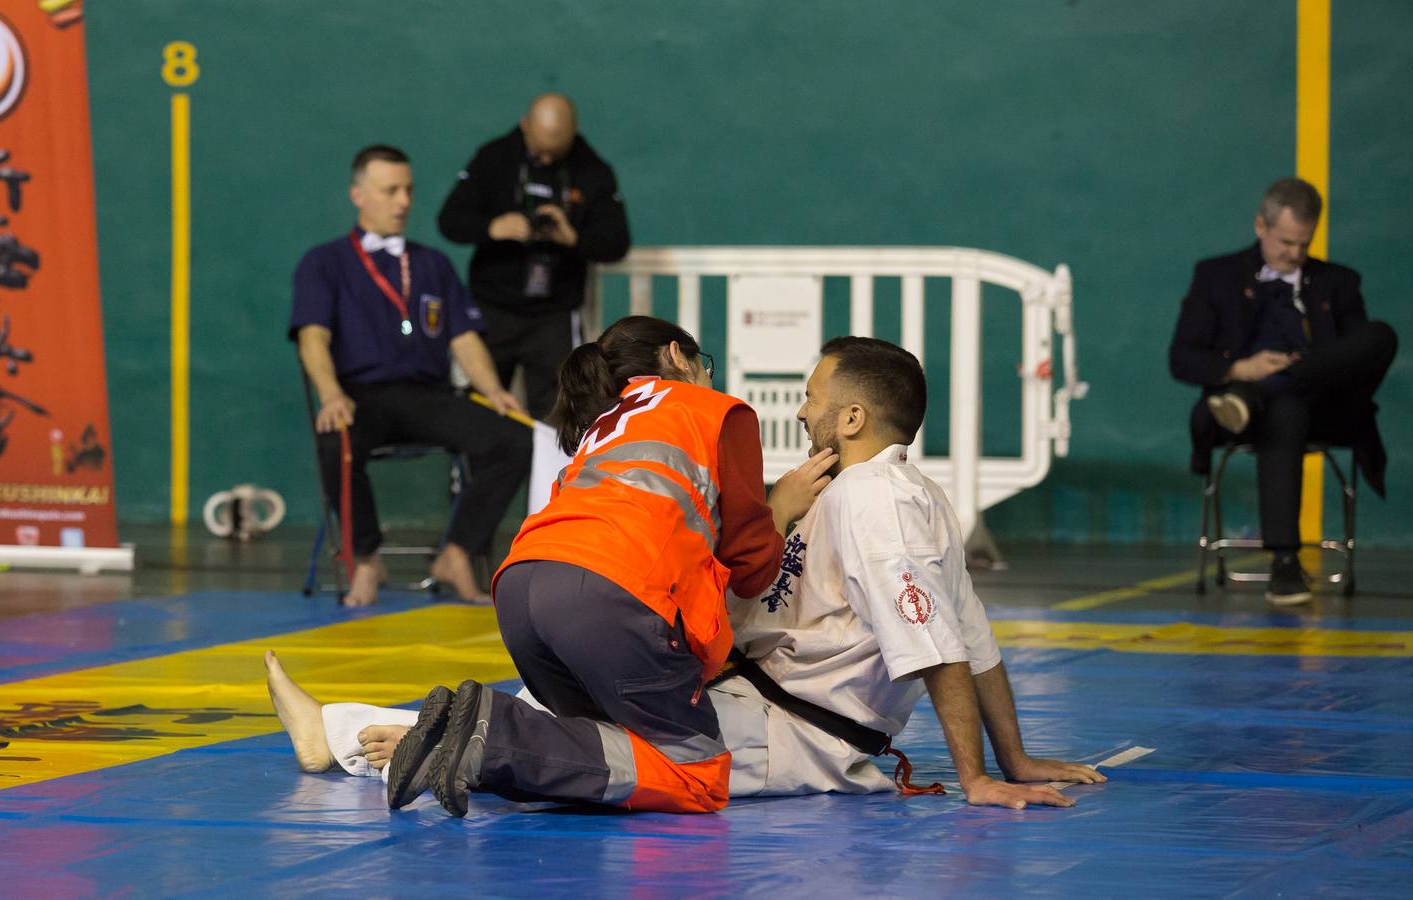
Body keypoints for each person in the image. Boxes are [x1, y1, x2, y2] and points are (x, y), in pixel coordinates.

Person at [269, 337, 1105, 811]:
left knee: (602, 748)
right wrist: (1014, 757)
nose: (803, 410)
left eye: (815, 397)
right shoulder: (857, 494)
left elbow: (943, 646)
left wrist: (982, 776)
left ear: (853, 417)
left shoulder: (881, 505)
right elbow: (969, 636)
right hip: (750, 697)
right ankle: (359, 735)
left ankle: (351, 735)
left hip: (792, 734)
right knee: (610, 740)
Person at [384, 316, 829, 816]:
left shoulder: (603, 425)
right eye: (703, 364)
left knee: (605, 744)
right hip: (606, 596)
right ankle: (493, 734)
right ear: (677, 356)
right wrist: (781, 509)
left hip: (520, 588)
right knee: (697, 776)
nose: (708, 377)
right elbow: (749, 568)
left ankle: (469, 742)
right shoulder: (715, 411)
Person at [290, 145, 531, 607]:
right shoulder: (324, 262)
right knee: (335, 439)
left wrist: (495, 391)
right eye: (390, 191)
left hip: (429, 396)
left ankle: (458, 552)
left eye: (408, 190)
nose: (403, 202)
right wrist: (331, 394)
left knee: (512, 438)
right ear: (358, 195)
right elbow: (312, 338)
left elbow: (463, 339)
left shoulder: (432, 264)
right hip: (360, 397)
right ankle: (365, 557)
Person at [1169, 178, 1398, 605]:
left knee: (1380, 335)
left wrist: (1300, 370)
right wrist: (1241, 368)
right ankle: (1285, 566)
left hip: (1322, 400)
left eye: (1303, 244)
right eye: (1285, 243)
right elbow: (1181, 358)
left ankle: (1264, 390)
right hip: (1241, 409)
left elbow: (1355, 358)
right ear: (1261, 225)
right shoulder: (1216, 276)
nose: (1294, 254)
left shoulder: (1339, 282)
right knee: (1285, 413)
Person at [437, 93, 631, 414]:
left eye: (556, 152)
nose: (545, 160)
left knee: (561, 412)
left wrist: (573, 238)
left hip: (553, 314)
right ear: (525, 126)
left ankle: (554, 467)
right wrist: (492, 227)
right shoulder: (495, 158)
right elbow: (450, 221)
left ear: (573, 134)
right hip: (492, 307)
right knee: (480, 409)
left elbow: (616, 242)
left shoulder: (593, 169)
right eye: (538, 150)